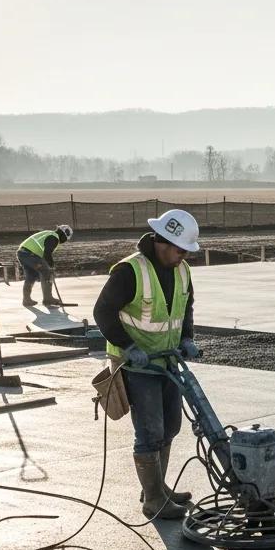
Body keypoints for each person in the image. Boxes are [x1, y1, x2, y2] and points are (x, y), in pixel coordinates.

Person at [94, 209, 201, 520]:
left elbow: (186, 307)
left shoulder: (182, 270)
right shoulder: (130, 271)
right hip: (137, 365)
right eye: (180, 250)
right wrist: (128, 347)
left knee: (171, 426)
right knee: (150, 431)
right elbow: (102, 312)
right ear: (162, 241)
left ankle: (158, 488)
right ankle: (153, 500)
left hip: (166, 361)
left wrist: (187, 338)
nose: (183, 257)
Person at [17, 224, 72, 307]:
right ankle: (48, 299)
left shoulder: (49, 233)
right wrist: (51, 266)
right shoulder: (54, 237)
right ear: (64, 235)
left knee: (31, 276)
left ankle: (26, 300)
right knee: (46, 272)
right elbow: (47, 253)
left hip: (22, 253)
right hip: (30, 254)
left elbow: (45, 253)